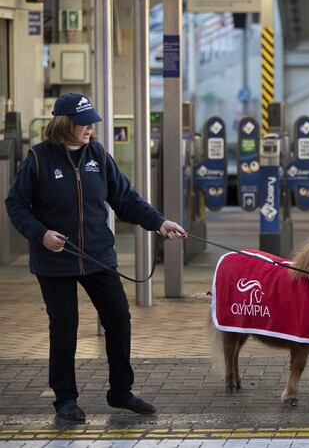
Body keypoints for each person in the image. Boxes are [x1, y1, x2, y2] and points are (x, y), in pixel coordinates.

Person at [5, 93, 186, 423]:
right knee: (65, 327)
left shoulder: (99, 156)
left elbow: (125, 200)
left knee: (118, 318)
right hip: (55, 260)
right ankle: (65, 399)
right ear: (64, 124)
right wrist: (41, 234)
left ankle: (121, 392)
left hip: (98, 255)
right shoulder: (38, 158)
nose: (90, 128)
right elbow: (15, 205)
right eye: (83, 122)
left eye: (91, 122)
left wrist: (159, 222)